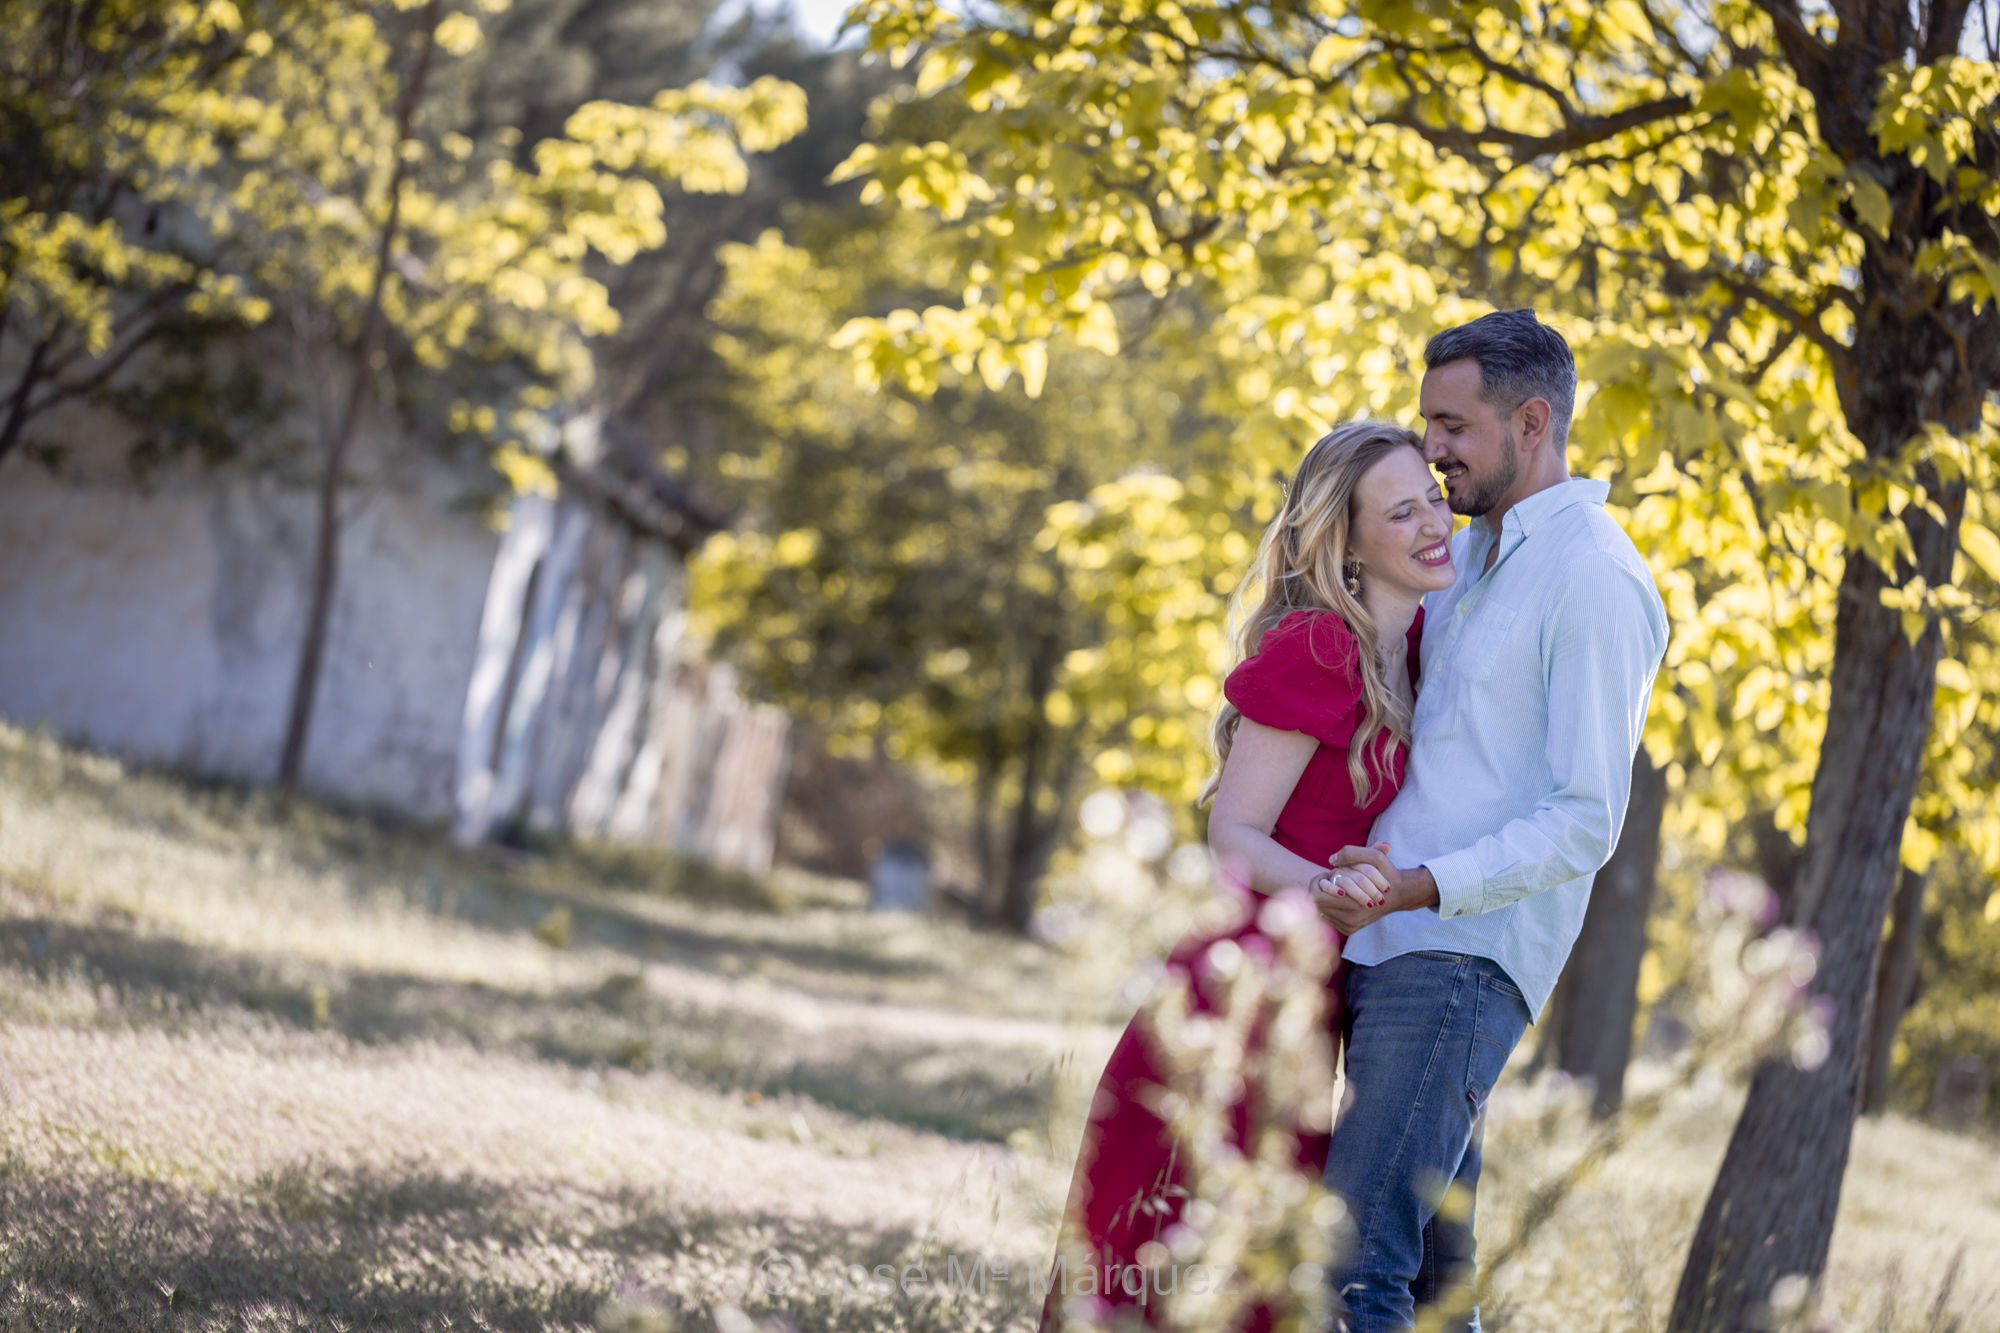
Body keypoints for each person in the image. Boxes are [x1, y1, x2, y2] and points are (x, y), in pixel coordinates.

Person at [1040, 419, 1456, 1331]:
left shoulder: (1428, 645)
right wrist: (1328, 890)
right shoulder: (1320, 649)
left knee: (1252, 1268)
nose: (1435, 520)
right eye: (1403, 510)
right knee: (1161, 1257)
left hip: (1310, 1002)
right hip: (1231, 988)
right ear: (1346, 541)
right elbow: (1234, 831)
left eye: (1432, 493)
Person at [1311, 309, 1669, 1332]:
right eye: (1426, 422)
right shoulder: (1463, 557)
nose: (1431, 447)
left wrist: (1421, 885)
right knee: (1430, 1284)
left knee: (1353, 1264)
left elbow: (1583, 818)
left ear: (1529, 421)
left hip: (1460, 954)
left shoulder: (1593, 578)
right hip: (1392, 941)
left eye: (1451, 426)